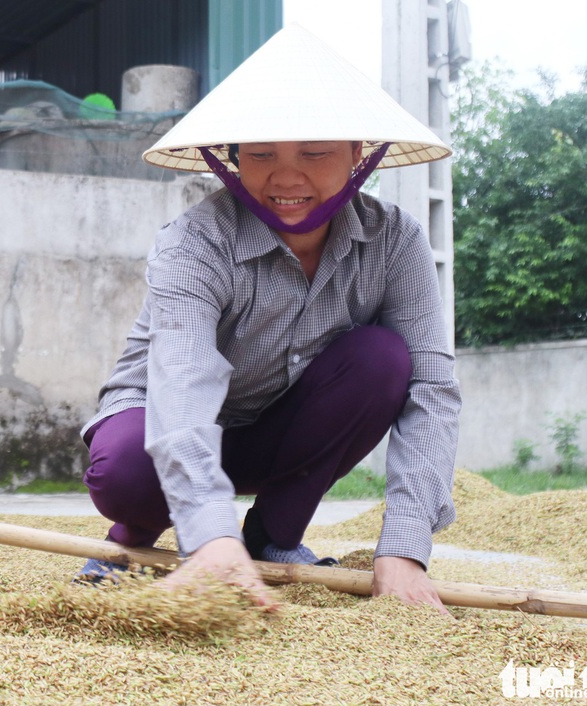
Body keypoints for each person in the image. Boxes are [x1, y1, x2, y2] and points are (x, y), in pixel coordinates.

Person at [75, 24, 461, 614]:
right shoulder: (195, 242)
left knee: (384, 359)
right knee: (125, 468)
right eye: (260, 154)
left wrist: (404, 550)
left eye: (313, 152)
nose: (285, 177)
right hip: (163, 426)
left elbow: (432, 389)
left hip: (277, 433)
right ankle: (133, 540)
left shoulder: (395, 242)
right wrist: (209, 537)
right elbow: (181, 381)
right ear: (229, 159)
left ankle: (271, 540)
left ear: (360, 155)